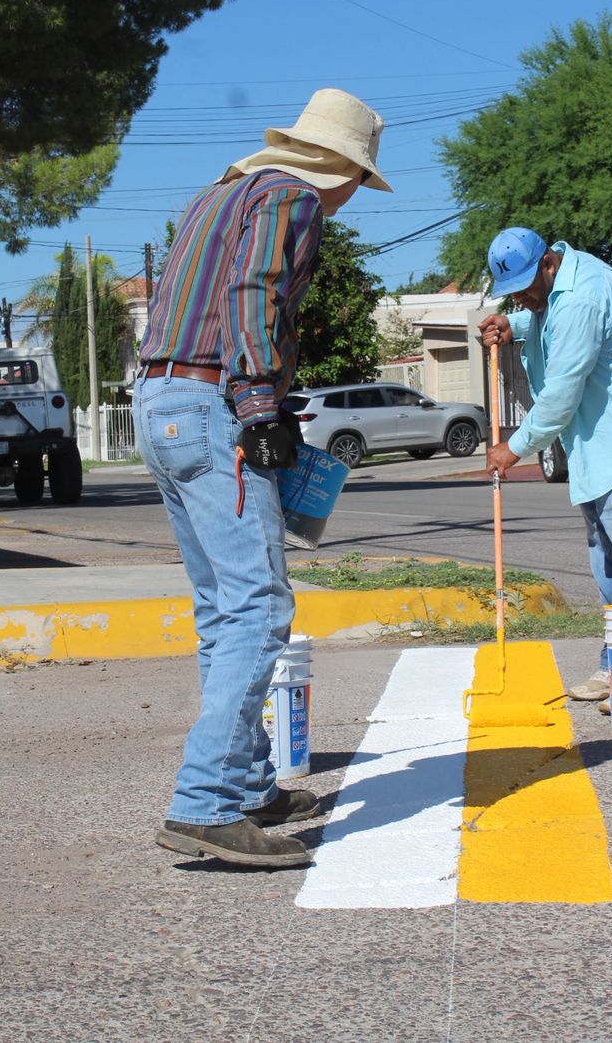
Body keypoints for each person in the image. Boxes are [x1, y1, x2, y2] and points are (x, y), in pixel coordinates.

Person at [134, 89, 391, 868]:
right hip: (212, 405)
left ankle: (245, 784)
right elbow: (255, 293)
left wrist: (263, 390)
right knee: (258, 605)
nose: (350, 198)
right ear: (340, 167)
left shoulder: (220, 191)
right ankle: (206, 804)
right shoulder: (295, 197)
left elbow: (210, 300)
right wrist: (257, 402)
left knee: (221, 607)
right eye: (357, 180)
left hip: (159, 399)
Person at [478, 228, 612, 709]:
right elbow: (546, 318)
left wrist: (514, 448)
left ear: (548, 262)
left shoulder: (583, 296)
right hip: (600, 443)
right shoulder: (560, 290)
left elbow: (562, 392)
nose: (526, 297)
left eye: (528, 285)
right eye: (514, 293)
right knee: (608, 556)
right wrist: (514, 324)